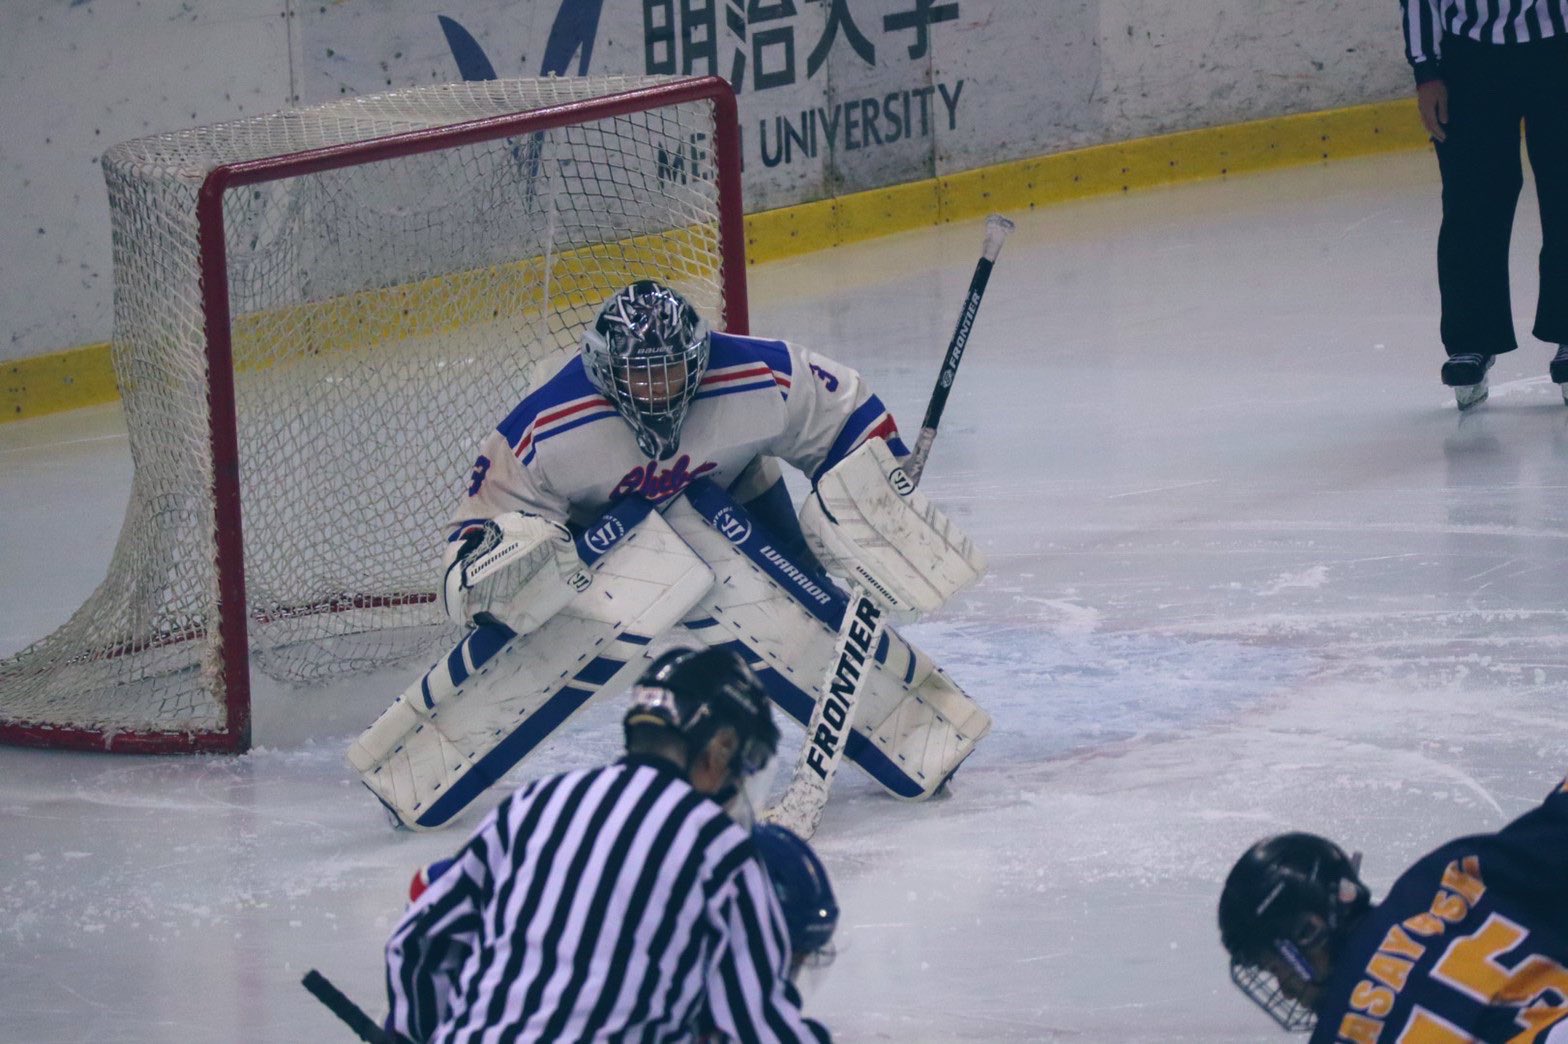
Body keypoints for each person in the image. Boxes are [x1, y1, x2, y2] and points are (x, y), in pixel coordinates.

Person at [349, 277, 989, 830]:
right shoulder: (546, 429)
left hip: (740, 500)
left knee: (810, 618)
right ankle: (434, 756)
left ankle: (912, 731)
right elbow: (477, 536)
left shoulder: (757, 374)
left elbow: (846, 410)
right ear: (604, 370)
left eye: (672, 369)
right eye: (641, 374)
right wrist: (500, 569)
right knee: (554, 595)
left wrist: (877, 489)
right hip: (609, 539)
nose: (659, 388)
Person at [383, 645, 831, 1043]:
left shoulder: (533, 805)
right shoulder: (717, 844)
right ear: (720, 747)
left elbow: (422, 940)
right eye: (744, 763)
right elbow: (754, 1024)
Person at [1217, 775, 1568, 1040]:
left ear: (1310, 931)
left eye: (1278, 968)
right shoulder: (1443, 875)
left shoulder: (1337, 1033)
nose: (1286, 989)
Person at [1399, 0, 1568, 409]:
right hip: (1471, 54)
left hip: (1559, 43)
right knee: (1472, 199)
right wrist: (1427, 70)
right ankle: (1471, 339)